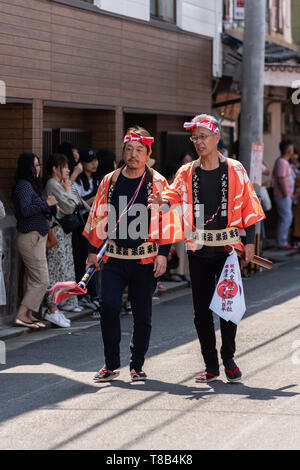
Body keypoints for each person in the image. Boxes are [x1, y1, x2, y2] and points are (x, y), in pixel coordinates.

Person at [148, 114, 265, 383]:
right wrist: (161, 201)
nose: (198, 142)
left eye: (203, 136)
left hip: (227, 249)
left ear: (216, 138)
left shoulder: (234, 169)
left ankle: (229, 358)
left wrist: (250, 242)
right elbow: (172, 196)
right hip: (198, 248)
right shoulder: (187, 172)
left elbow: (250, 205)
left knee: (228, 304)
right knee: (201, 310)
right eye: (195, 137)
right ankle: (210, 364)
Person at [83, 126, 183, 382]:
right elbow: (98, 217)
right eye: (129, 149)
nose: (133, 154)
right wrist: (93, 251)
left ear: (148, 153)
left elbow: (166, 218)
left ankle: (137, 364)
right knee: (108, 307)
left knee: (142, 314)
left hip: (145, 258)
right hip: (115, 257)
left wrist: (163, 253)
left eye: (139, 150)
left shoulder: (158, 182)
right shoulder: (111, 180)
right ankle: (110, 364)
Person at [12, 152, 57, 329]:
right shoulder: (23, 186)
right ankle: (21, 314)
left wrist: (47, 206)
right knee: (41, 280)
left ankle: (29, 315)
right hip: (30, 237)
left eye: (39, 165)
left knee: (32, 279)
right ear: (27, 167)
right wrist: (46, 204)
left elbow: (34, 208)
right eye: (35, 165)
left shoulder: (29, 185)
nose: (37, 168)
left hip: (36, 236)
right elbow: (25, 210)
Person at [43, 153, 81, 327]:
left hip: (63, 232)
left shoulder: (59, 183)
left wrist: (67, 191)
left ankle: (59, 305)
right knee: (56, 268)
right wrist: (67, 191)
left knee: (63, 267)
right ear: (54, 168)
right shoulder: (52, 184)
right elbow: (70, 205)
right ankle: (52, 308)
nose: (67, 170)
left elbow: (71, 203)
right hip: (56, 232)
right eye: (64, 166)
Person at [73, 148, 101, 312]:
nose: (94, 164)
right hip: (83, 225)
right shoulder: (77, 182)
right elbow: (76, 201)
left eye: (95, 160)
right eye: (90, 161)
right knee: (86, 259)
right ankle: (86, 294)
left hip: (97, 225)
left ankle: (94, 295)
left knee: (96, 260)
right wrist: (93, 198)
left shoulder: (98, 180)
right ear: (82, 164)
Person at [272, 140, 295, 250]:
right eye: (291, 148)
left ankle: (282, 241)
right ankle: (282, 242)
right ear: (289, 150)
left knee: (285, 218)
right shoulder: (282, 162)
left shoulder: (284, 162)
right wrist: (286, 193)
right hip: (283, 196)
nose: (293, 151)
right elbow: (281, 179)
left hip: (286, 196)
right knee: (287, 218)